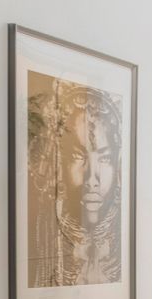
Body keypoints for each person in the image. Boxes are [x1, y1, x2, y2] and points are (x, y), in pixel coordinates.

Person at [28, 80, 123, 287]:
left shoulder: (121, 246)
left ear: (118, 166)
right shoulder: (41, 241)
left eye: (105, 159)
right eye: (78, 156)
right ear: (60, 162)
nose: (92, 179)